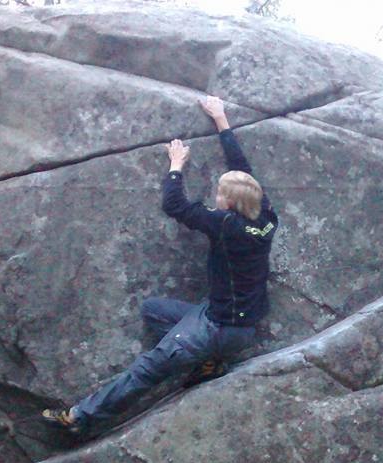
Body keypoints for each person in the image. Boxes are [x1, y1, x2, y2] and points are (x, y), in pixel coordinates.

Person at [43, 96, 278, 436]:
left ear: (228, 203)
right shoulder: (266, 216)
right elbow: (243, 169)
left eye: (219, 194)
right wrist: (220, 118)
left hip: (215, 326)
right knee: (153, 310)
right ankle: (208, 361)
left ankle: (79, 417)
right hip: (241, 328)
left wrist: (176, 165)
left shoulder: (225, 224)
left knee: (147, 369)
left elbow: (175, 205)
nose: (215, 197)